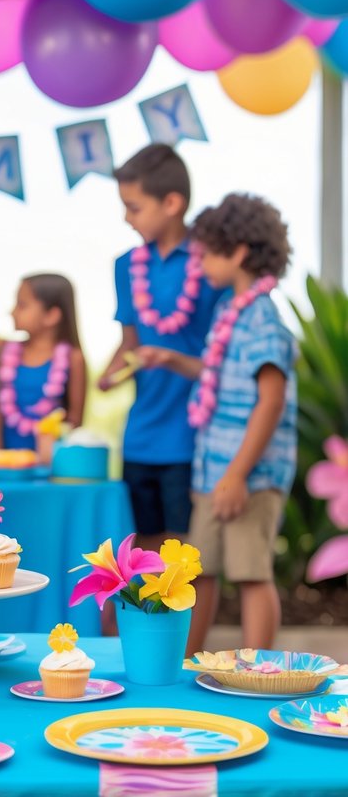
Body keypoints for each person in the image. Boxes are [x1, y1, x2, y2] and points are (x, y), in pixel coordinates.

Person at [138, 193, 296, 654]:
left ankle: (258, 668)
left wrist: (237, 475)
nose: (198, 264)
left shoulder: (262, 320)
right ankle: (190, 659)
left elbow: (270, 401)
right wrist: (168, 357)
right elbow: (214, 371)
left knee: (251, 572)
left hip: (249, 476)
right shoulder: (231, 310)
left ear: (239, 252)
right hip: (215, 471)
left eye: (206, 254)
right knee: (200, 569)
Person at [99, 144, 223, 549]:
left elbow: (223, 353)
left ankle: (183, 617)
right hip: (141, 433)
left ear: (171, 202)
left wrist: (171, 358)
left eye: (134, 207)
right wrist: (111, 374)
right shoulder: (126, 266)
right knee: (145, 543)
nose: (124, 217)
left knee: (188, 547)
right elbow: (130, 344)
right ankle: (146, 615)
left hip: (195, 435)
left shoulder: (211, 264)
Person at [0, 274, 86, 450]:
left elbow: (75, 422)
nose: (12, 312)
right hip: (8, 465)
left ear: (51, 315)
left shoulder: (73, 358)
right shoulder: (4, 353)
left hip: (51, 466)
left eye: (22, 305)